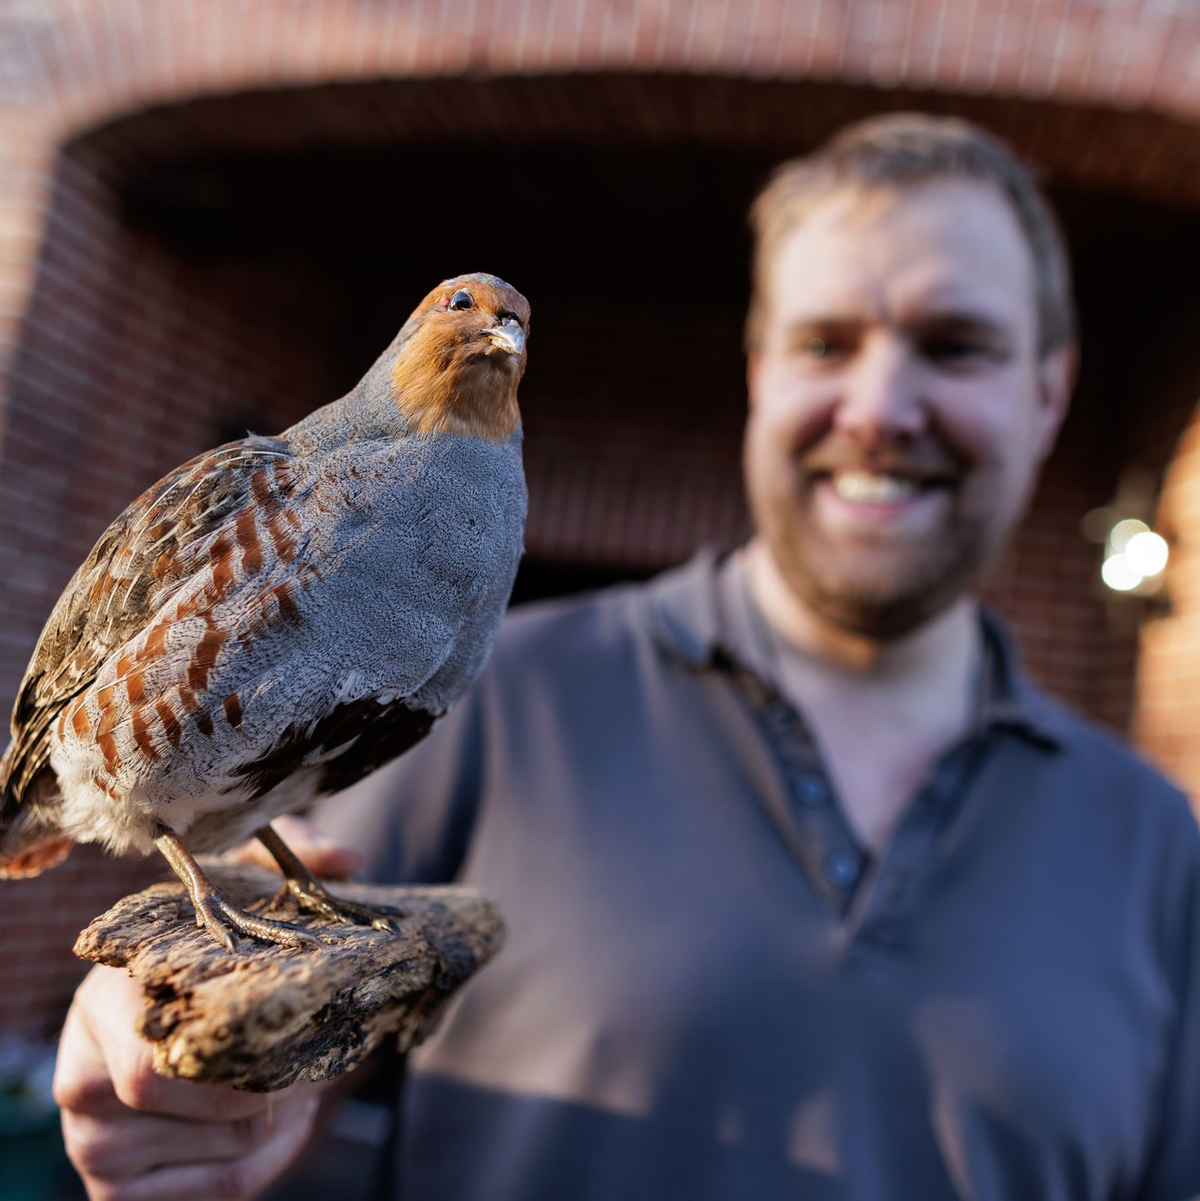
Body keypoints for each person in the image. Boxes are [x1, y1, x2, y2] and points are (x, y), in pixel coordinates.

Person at [52, 114, 1200, 1200]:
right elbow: (296, 939)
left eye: (955, 345)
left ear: (1050, 391)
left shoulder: (1160, 849)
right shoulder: (510, 694)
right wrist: (191, 1057)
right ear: (759, 366)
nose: (881, 406)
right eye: (826, 341)